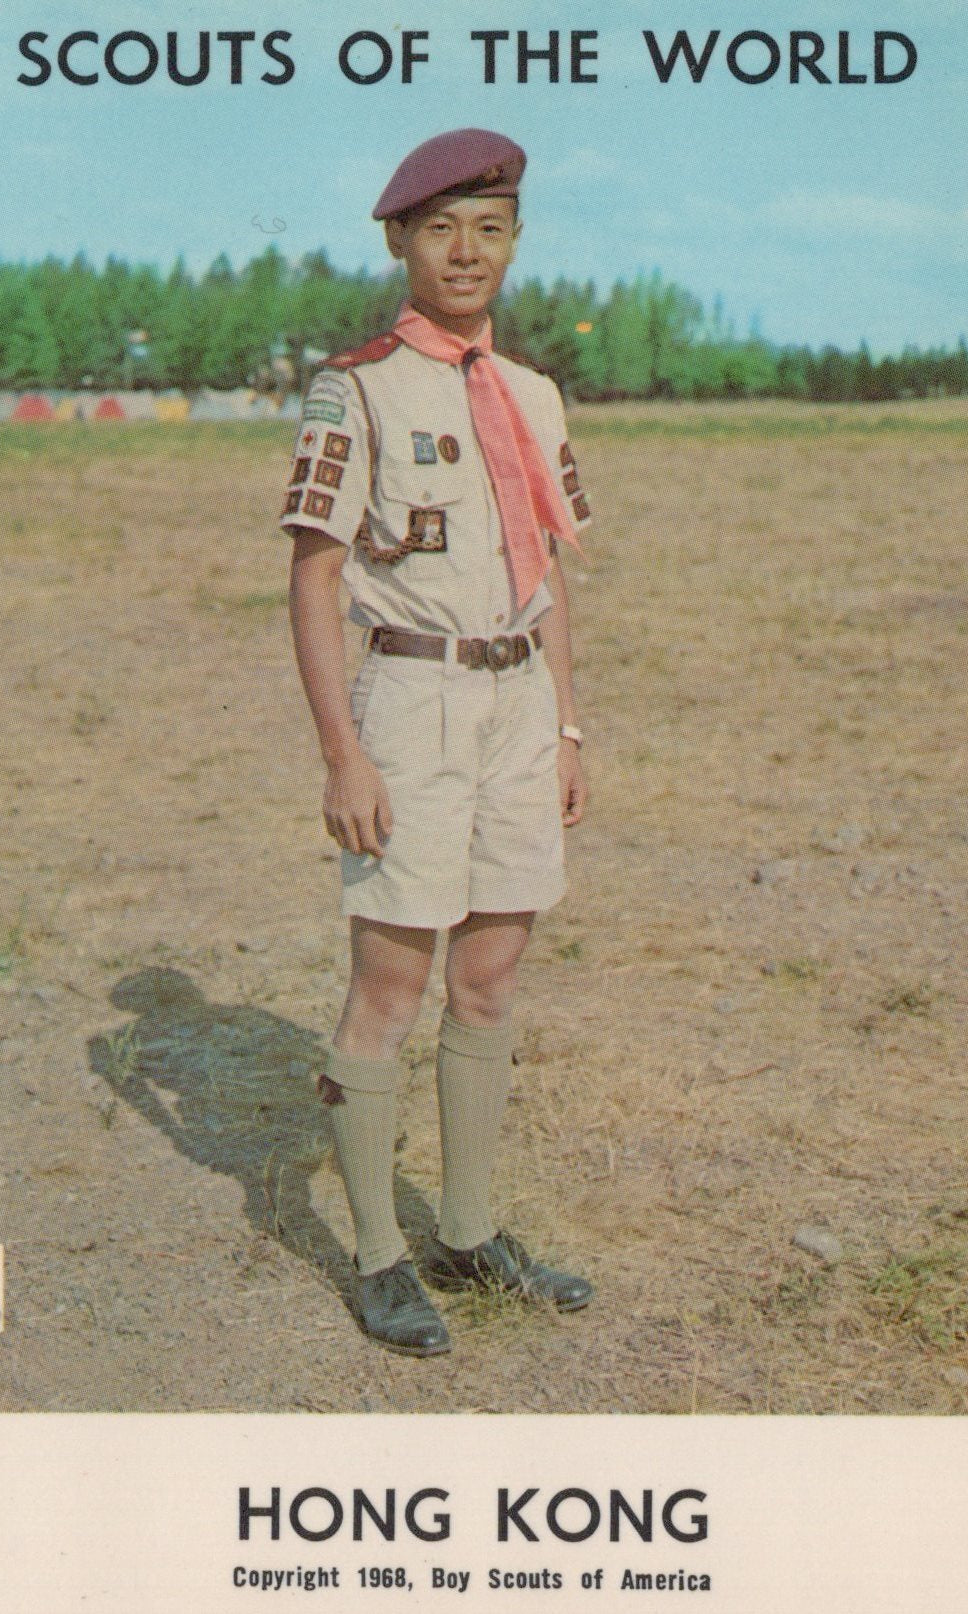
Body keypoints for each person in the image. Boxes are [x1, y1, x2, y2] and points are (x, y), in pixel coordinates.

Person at [282, 128, 594, 1356]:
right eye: (441, 229)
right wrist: (341, 756)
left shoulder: (532, 395)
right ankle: (376, 1254)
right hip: (410, 706)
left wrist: (565, 725)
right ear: (401, 241)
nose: (467, 253)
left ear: (514, 244)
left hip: (520, 705)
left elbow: (548, 572)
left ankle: (468, 1232)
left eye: (491, 229)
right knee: (393, 985)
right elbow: (312, 582)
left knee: (493, 974)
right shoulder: (354, 389)